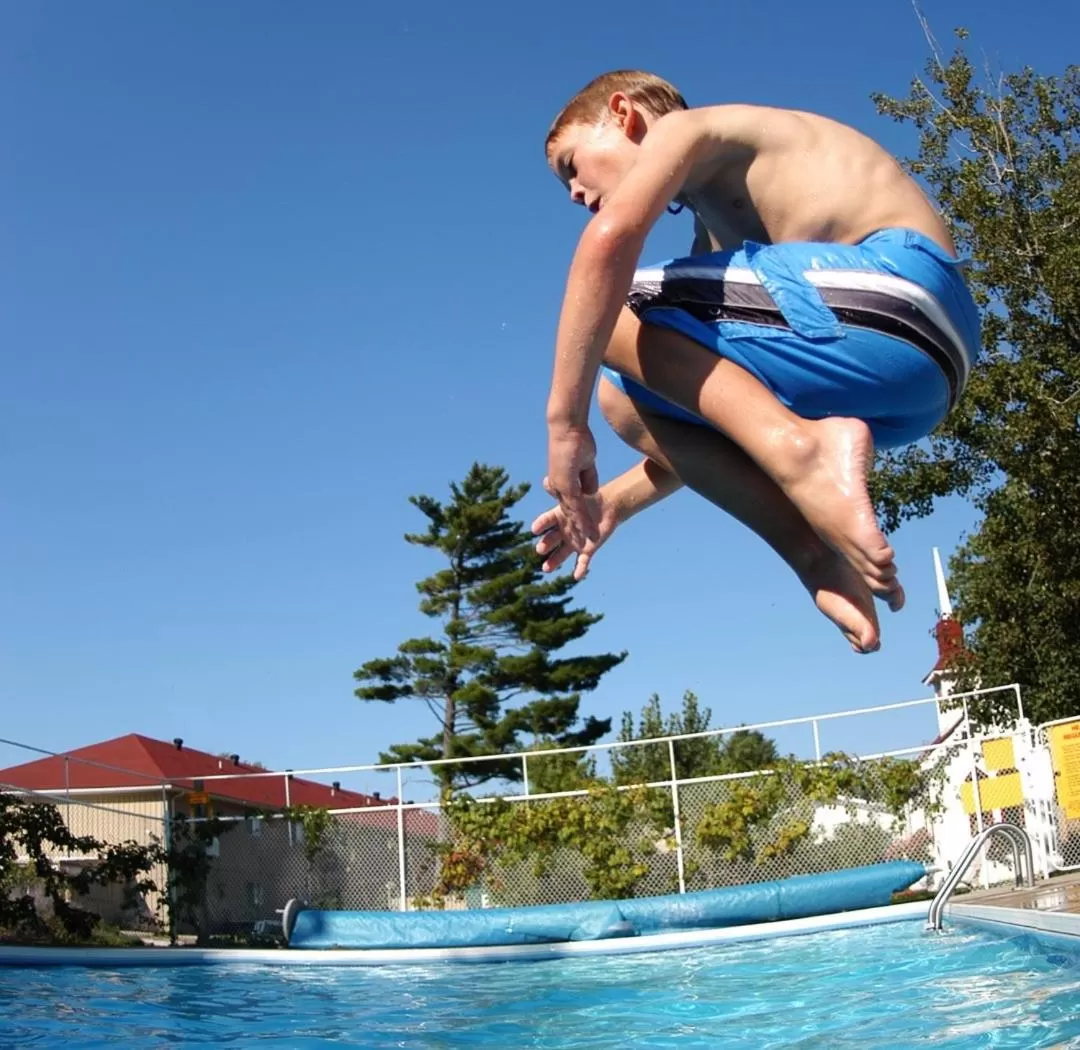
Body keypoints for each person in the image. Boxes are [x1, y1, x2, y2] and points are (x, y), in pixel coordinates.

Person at [530, 70, 980, 653]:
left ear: (624, 114)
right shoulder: (714, 247)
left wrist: (565, 425)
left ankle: (805, 454)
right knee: (625, 389)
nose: (572, 193)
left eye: (571, 165)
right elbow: (720, 410)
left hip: (901, 288)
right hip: (919, 384)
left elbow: (608, 248)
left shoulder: (692, 131)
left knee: (603, 302)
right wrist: (616, 500)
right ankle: (813, 551)